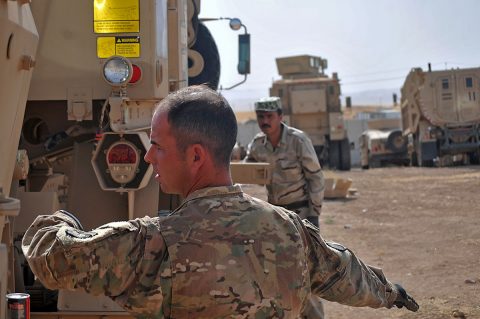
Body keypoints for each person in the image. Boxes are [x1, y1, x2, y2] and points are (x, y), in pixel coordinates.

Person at [22, 85, 419, 318]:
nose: (147, 157)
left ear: (196, 156)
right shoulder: (290, 230)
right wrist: (394, 293)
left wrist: (60, 219)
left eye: (157, 147)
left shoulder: (153, 244)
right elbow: (350, 277)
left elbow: (51, 260)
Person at [245, 96, 324, 228]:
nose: (265, 121)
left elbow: (316, 177)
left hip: (301, 214)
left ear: (280, 117)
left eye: (270, 116)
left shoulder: (298, 141)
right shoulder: (257, 144)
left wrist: (314, 214)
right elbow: (246, 171)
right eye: (260, 117)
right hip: (274, 213)